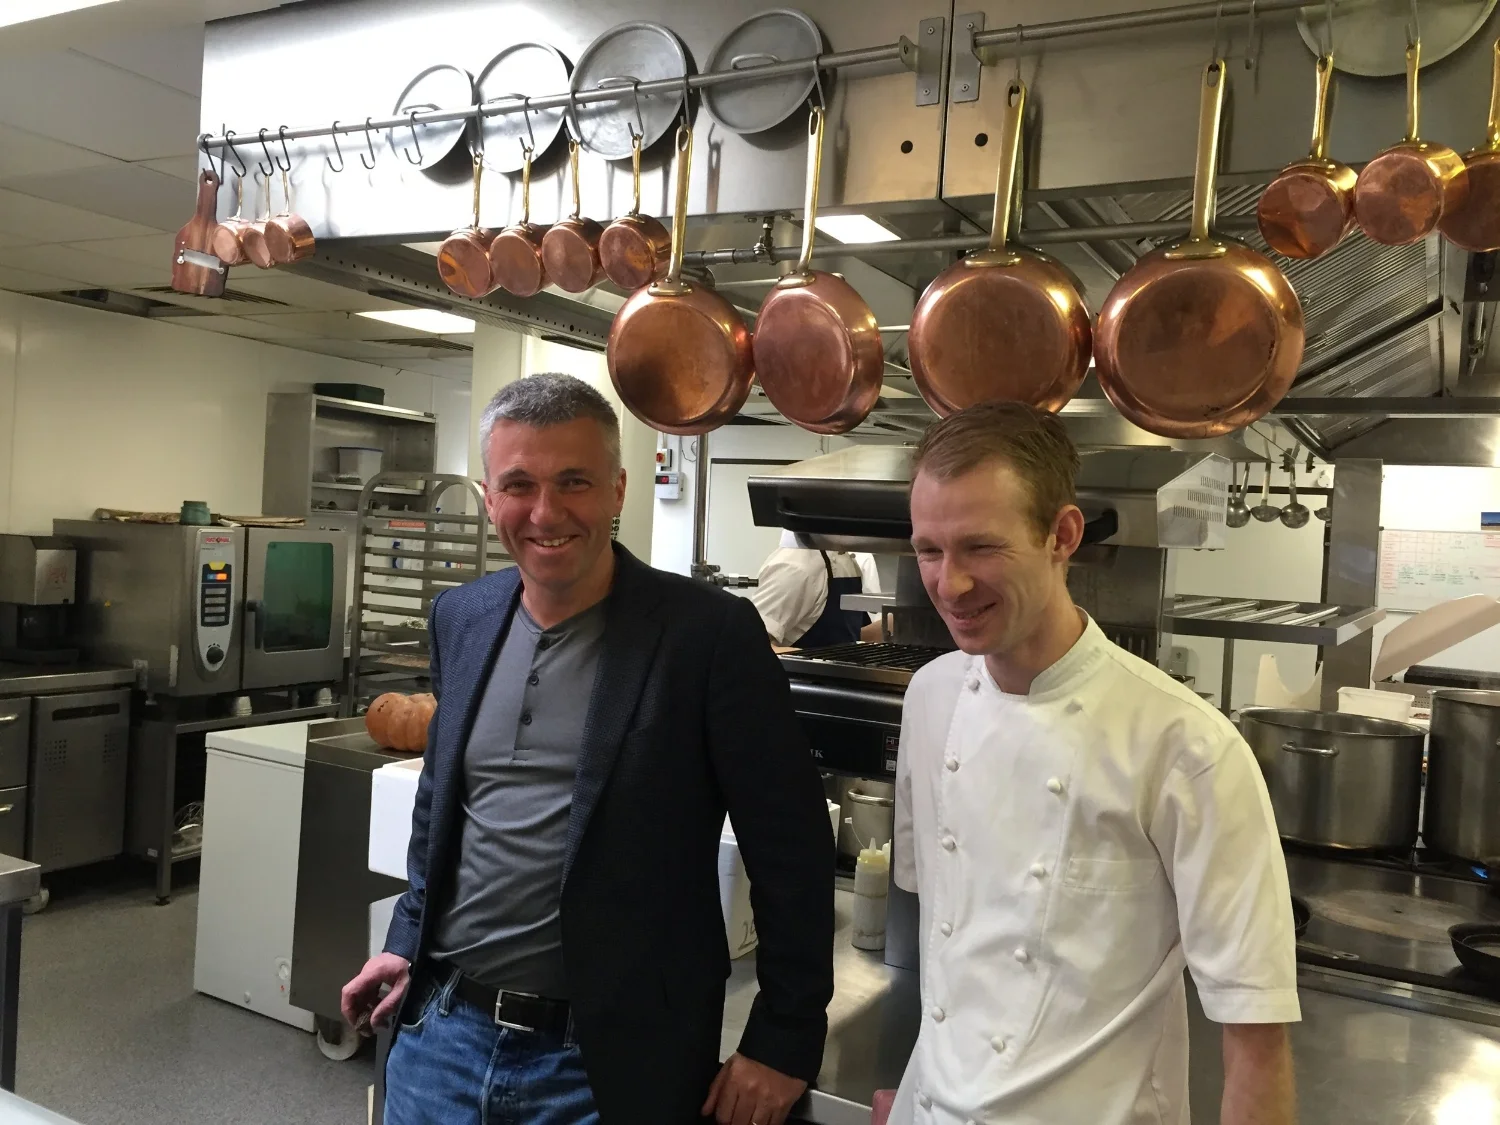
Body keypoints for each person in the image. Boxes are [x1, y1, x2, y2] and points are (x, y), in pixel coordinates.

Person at [342, 373, 834, 1125]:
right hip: (443, 1038)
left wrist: (783, 1038)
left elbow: (790, 850)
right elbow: (443, 803)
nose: (546, 512)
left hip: (605, 1065)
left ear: (618, 489)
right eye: (519, 484)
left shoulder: (706, 637)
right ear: (487, 495)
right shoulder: (462, 618)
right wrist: (408, 938)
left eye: (573, 481)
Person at [891, 402, 1299, 1125]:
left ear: (1063, 536)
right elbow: (946, 943)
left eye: (980, 547)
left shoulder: (1186, 747)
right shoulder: (930, 698)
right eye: (929, 550)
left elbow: (1255, 1037)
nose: (949, 584)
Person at [750, 531, 883, 649]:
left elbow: (837, 637)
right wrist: (812, 659)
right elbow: (750, 646)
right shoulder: (795, 568)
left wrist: (890, 626)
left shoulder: (842, 558)